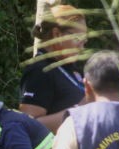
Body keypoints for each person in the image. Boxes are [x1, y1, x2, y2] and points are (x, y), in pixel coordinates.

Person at [20, 4, 87, 132]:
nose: (82, 47)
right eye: (78, 38)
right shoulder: (40, 70)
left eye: (84, 41)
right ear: (57, 34)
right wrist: (80, 109)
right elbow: (27, 127)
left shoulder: (71, 69)